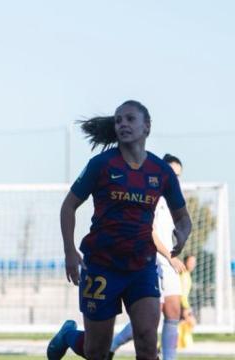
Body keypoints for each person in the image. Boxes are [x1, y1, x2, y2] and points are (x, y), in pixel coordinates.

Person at [46, 100, 192, 360]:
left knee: (147, 343)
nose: (123, 124)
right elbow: (68, 207)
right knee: (97, 351)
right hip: (102, 265)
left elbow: (183, 218)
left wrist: (182, 233)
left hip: (142, 267)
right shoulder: (101, 165)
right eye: (118, 120)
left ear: (146, 126)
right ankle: (70, 335)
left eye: (130, 119)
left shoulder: (161, 171)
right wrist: (70, 252)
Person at [108, 154, 187, 360]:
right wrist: (169, 256)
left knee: (173, 311)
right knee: (150, 318)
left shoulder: (175, 200)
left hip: (169, 261)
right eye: (171, 173)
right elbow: (148, 231)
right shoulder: (152, 197)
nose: (175, 178)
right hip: (152, 260)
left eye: (178, 175)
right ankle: (112, 345)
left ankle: (170, 358)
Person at [178, 255, 197, 349]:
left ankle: (180, 343)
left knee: (183, 323)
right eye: (191, 262)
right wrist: (185, 306)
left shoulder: (187, 274)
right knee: (191, 322)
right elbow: (181, 292)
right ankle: (181, 343)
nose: (193, 264)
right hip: (181, 303)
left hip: (183, 303)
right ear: (185, 262)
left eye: (194, 262)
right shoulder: (183, 274)